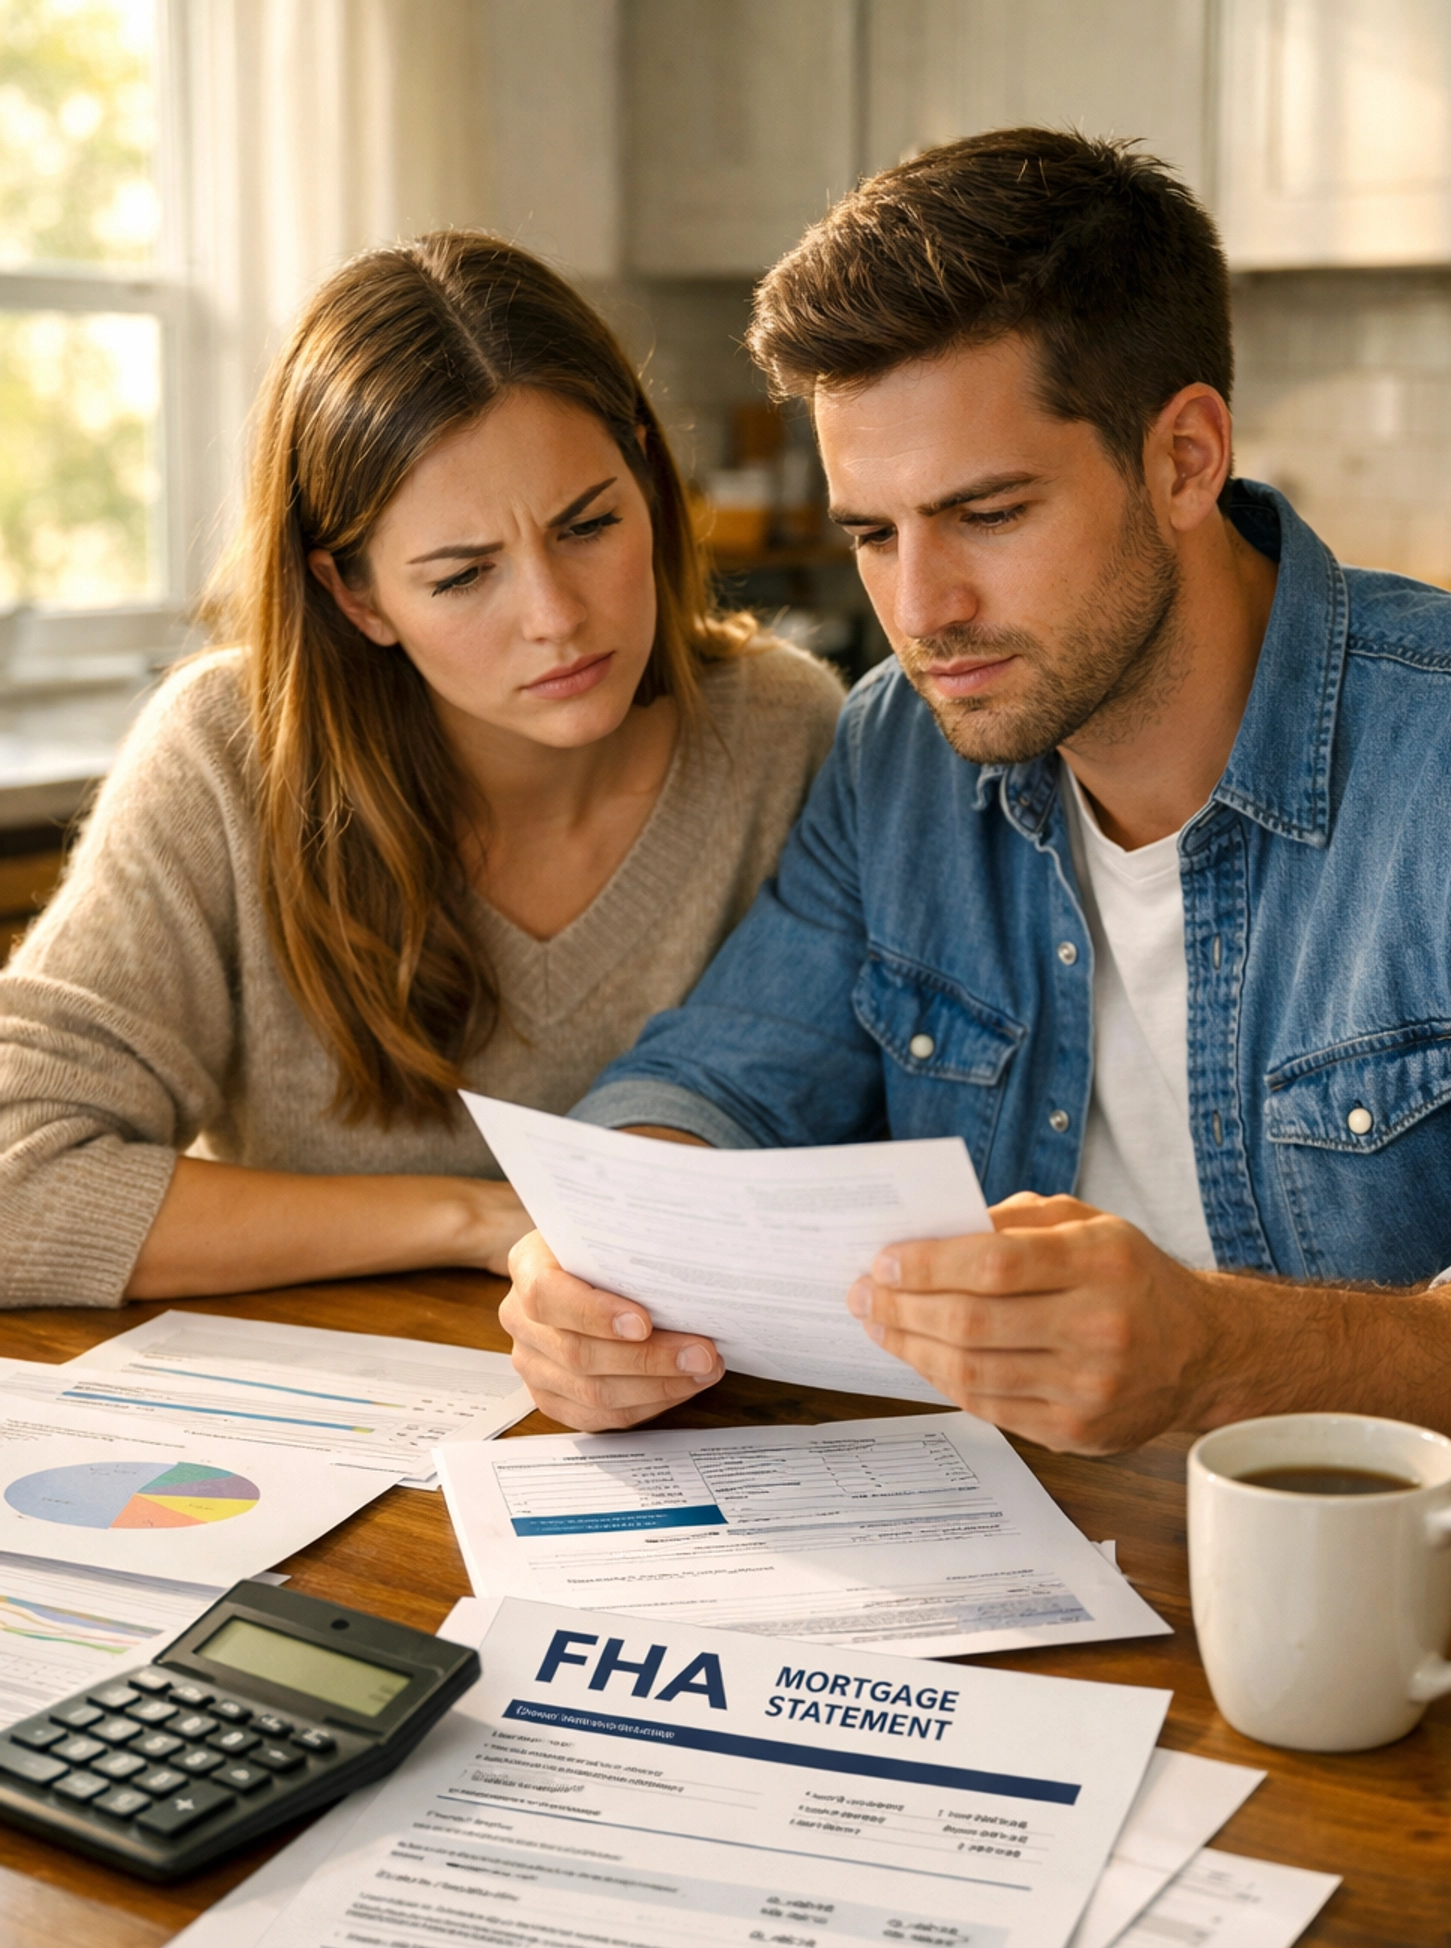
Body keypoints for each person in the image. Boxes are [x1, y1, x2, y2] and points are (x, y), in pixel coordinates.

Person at [500, 129, 1451, 1489]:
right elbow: (718, 1080)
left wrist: (1215, 1350)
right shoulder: (898, 752)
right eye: (874, 534)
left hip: (1406, 1610)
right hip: (1023, 1553)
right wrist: (590, 1253)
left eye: (986, 512)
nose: (922, 612)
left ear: (1183, 459)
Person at [0, 231, 842, 1308]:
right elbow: (16, 1175)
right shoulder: (230, 755)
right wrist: (482, 1218)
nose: (556, 618)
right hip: (326, 1433)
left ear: (647, 474)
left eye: (588, 525)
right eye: (461, 576)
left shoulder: (783, 729)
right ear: (357, 598)